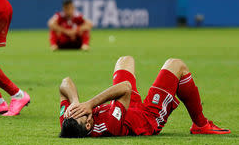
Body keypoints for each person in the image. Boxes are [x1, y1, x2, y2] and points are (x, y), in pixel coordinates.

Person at [59, 56, 230, 138]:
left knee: (124, 60)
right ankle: (200, 124)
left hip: (124, 105)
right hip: (147, 116)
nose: (78, 110)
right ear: (88, 124)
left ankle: (200, 124)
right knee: (176, 65)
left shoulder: (69, 122)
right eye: (81, 112)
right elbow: (125, 88)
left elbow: (64, 84)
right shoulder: (110, 126)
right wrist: (89, 103)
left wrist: (74, 102)